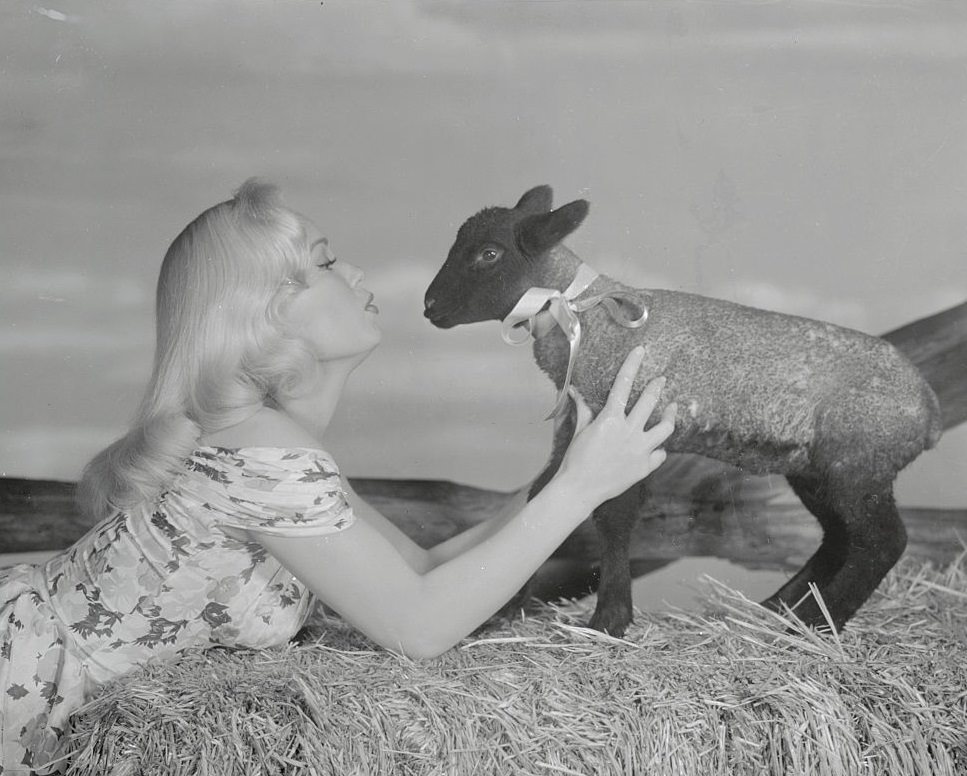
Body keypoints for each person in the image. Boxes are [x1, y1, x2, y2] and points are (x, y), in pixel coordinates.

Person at [0, 180, 676, 773]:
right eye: (324, 261)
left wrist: (560, 474)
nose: (354, 272)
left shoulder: (264, 444)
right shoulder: (265, 458)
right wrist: (578, 489)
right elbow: (418, 628)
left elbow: (420, 567)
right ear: (265, 311)